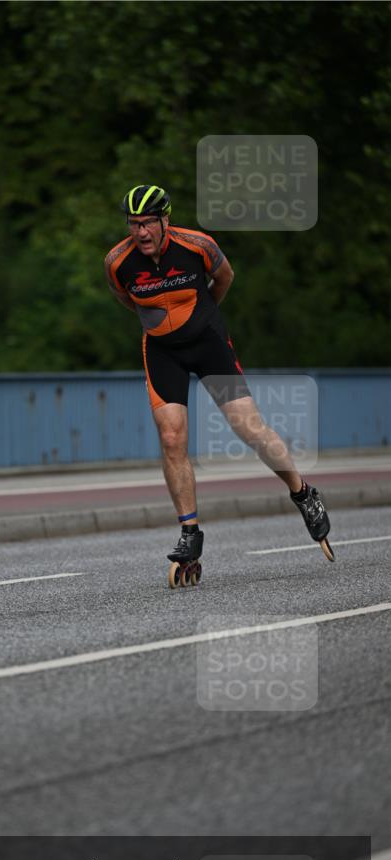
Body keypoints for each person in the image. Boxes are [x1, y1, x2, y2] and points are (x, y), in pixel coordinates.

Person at [104, 184, 333, 579]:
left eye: (148, 224)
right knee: (172, 437)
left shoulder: (198, 246)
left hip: (208, 344)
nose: (140, 232)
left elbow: (224, 277)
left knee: (249, 427)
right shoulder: (118, 262)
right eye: (133, 224)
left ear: (165, 220)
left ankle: (302, 492)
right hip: (163, 353)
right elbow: (124, 298)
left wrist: (204, 316)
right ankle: (189, 533)